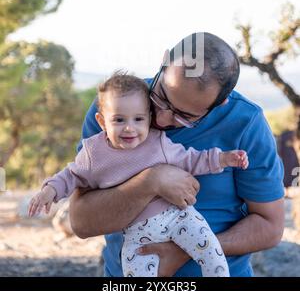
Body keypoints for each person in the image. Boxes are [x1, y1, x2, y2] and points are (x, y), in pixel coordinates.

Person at [69, 32, 285, 277]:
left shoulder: (246, 123)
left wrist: (190, 249)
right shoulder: (116, 110)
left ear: (221, 103)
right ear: (163, 62)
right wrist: (152, 181)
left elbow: (270, 226)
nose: (161, 119)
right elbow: (81, 222)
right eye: (161, 97)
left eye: (185, 116)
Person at [29, 72, 249, 277]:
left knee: (211, 251)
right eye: (119, 120)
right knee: (133, 271)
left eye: (138, 119)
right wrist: (49, 191)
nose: (129, 128)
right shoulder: (94, 153)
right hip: (137, 232)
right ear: (102, 122)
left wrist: (223, 159)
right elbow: (71, 175)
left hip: (180, 217)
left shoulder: (158, 142)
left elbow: (192, 159)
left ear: (148, 118)